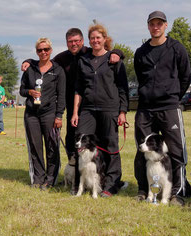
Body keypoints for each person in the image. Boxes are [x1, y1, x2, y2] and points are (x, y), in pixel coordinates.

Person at [21, 28, 124, 194]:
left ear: (83, 41)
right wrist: (28, 60)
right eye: (70, 41)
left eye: (77, 41)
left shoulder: (91, 52)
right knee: (73, 142)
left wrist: (118, 52)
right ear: (67, 42)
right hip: (74, 107)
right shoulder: (62, 58)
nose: (74, 44)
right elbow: (44, 60)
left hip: (97, 105)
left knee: (103, 143)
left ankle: (106, 179)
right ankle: (77, 178)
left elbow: (108, 52)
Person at [133, 11, 191, 206]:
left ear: (166, 25)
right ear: (148, 26)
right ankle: (144, 189)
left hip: (169, 107)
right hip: (145, 109)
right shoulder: (141, 52)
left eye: (159, 23)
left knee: (176, 151)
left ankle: (177, 192)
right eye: (152, 24)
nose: (156, 27)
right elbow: (142, 78)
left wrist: (173, 95)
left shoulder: (177, 48)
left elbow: (186, 76)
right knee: (142, 150)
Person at [70, 23, 129, 198]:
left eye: (98, 38)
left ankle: (111, 184)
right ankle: (78, 184)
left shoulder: (114, 60)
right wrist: (75, 112)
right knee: (80, 143)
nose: (95, 41)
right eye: (92, 38)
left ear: (105, 39)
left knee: (110, 146)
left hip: (109, 108)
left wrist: (122, 111)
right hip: (88, 109)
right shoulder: (84, 61)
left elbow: (123, 88)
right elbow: (78, 89)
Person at [20, 38, 66, 190]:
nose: (43, 52)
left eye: (46, 49)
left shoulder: (58, 70)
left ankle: (51, 179)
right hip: (31, 114)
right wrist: (29, 92)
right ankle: (38, 178)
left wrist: (59, 116)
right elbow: (22, 90)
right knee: (35, 146)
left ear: (51, 50)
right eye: (40, 50)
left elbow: (62, 95)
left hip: (50, 114)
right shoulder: (30, 69)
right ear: (36, 52)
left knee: (52, 146)